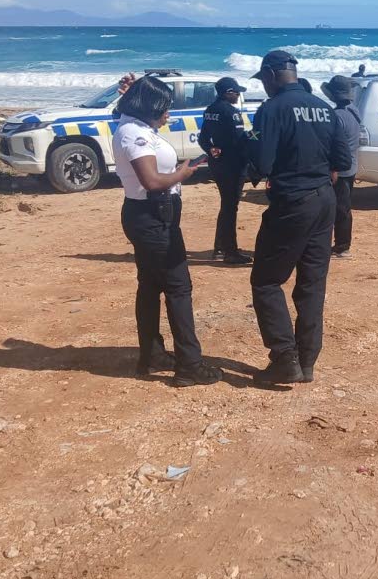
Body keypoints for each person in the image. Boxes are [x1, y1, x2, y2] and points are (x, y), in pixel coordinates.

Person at [247, 50, 352, 385]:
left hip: (293, 202)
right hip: (325, 201)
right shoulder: (323, 108)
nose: (263, 85)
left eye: (263, 79)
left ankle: (284, 358)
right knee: (311, 284)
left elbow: (262, 163)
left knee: (266, 281)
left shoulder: (271, 109)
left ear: (271, 75)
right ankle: (306, 362)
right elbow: (343, 160)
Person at [113, 75, 222, 386]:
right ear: (148, 108)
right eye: (164, 108)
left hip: (150, 213)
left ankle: (152, 355)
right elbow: (151, 181)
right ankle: (189, 365)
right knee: (178, 288)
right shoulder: (134, 134)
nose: (168, 114)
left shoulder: (134, 125)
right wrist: (182, 173)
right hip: (153, 215)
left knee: (150, 285)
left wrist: (134, 90)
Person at [198, 76, 251, 264]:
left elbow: (203, 138)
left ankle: (220, 248)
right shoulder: (231, 112)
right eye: (236, 93)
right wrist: (257, 134)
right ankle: (230, 251)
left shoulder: (210, 110)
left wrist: (210, 149)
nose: (238, 96)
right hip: (233, 164)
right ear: (228, 93)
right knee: (230, 207)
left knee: (226, 205)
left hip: (217, 163)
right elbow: (240, 140)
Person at [321, 75, 362, 259]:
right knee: (343, 207)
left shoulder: (337, 115)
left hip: (339, 169)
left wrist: (333, 169)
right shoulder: (353, 111)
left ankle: (342, 246)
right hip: (350, 165)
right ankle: (342, 245)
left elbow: (334, 145)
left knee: (338, 209)